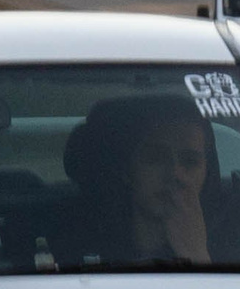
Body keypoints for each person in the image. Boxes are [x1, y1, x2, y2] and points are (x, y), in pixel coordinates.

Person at [60, 96, 214, 264]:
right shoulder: (71, 246)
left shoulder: (236, 245)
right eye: (156, 158)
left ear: (207, 171)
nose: (175, 173)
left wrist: (197, 255)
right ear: (127, 169)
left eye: (190, 161)